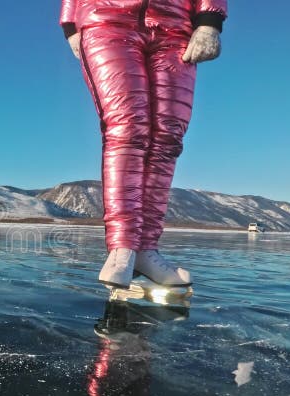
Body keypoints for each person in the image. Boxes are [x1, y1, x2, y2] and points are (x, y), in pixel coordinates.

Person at [60, 0, 227, 288]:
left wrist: (210, 20)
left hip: (176, 25)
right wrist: (69, 22)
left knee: (168, 136)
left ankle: (146, 250)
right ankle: (122, 248)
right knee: (127, 128)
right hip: (106, 18)